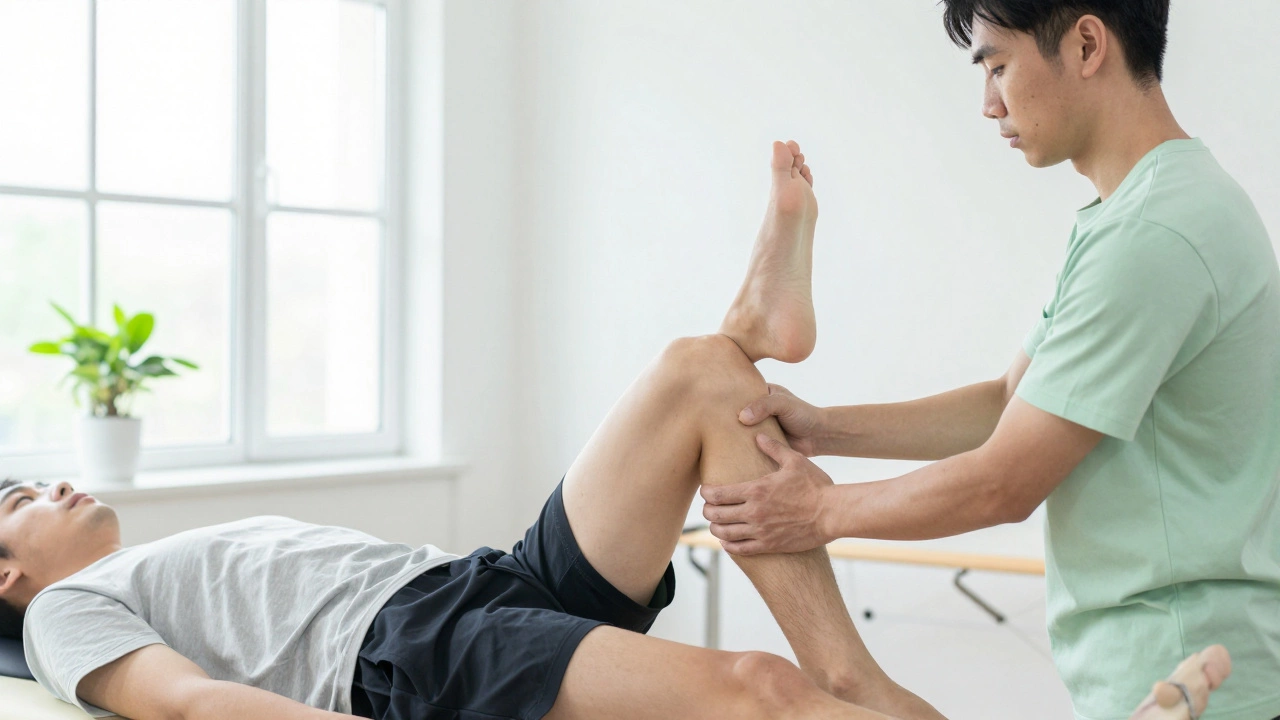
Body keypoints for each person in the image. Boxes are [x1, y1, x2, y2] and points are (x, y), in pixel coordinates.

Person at [0, 143, 1231, 720]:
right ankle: (848, 688)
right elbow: (196, 707)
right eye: (17, 502)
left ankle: (752, 324)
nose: (51, 485)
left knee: (703, 372)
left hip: (476, 586)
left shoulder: (124, 567)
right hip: (412, 660)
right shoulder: (66, 612)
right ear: (7, 577)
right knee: (756, 689)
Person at [700, 4, 1280, 720]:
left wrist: (819, 511)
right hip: (1170, 661)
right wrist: (824, 428)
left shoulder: (1153, 235)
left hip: (1189, 669)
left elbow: (1003, 482)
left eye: (998, 65)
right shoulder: (1139, 215)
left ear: (1088, 43)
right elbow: (1011, 402)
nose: (988, 104)